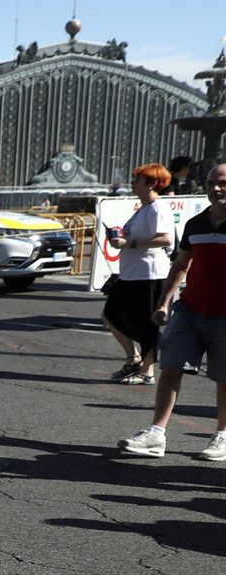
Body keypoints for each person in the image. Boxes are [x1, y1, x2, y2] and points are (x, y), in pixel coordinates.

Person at [118, 161, 226, 461]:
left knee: (224, 378)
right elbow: (180, 265)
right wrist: (164, 302)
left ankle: (222, 435)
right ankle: (156, 433)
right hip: (190, 310)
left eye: (223, 183)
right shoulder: (196, 224)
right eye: (211, 184)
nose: (216, 189)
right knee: (170, 368)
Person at [105, 163, 174, 386]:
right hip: (132, 274)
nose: (133, 184)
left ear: (151, 184)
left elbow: (165, 239)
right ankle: (133, 358)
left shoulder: (157, 208)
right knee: (110, 314)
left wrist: (129, 243)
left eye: (137, 180)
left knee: (146, 323)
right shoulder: (143, 208)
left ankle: (148, 371)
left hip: (150, 275)